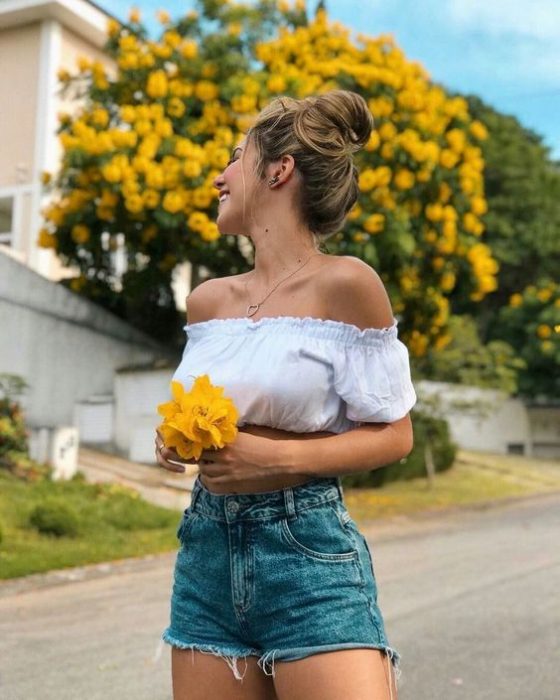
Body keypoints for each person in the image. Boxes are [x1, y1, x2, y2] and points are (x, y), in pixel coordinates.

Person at [155, 89, 416, 700]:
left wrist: (278, 461)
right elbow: (220, 408)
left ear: (279, 170)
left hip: (309, 558)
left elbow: (396, 433)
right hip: (206, 555)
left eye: (234, 158)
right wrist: (175, 435)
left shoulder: (348, 284)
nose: (218, 177)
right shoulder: (207, 300)